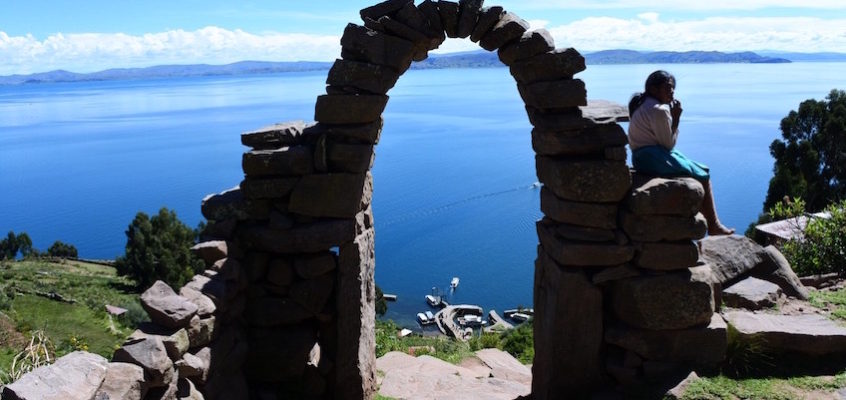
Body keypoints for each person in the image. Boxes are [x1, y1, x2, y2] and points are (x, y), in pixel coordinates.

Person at [628, 70, 734, 235]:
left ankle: (714, 225)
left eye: (672, 89)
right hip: (652, 157)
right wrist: (676, 118)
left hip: (641, 157)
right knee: (702, 174)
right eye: (667, 88)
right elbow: (668, 145)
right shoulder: (659, 110)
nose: (672, 92)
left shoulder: (643, 104)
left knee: (699, 169)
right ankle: (714, 226)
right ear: (654, 89)